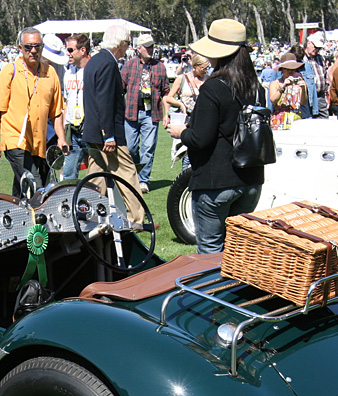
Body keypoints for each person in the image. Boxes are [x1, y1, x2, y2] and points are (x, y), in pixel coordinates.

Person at [166, 18, 263, 254]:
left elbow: (201, 138)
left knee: (210, 254)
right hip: (250, 179)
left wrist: (181, 132)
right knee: (237, 253)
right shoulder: (255, 87)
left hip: (216, 181)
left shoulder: (214, 87)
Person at [0, 27, 65, 195]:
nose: (33, 51)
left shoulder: (50, 73)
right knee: (35, 185)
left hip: (39, 143)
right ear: (20, 48)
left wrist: (62, 139)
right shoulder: (10, 71)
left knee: (31, 186)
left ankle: (16, 216)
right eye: (28, 47)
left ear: (42, 47)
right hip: (15, 139)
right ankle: (36, 220)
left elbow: (56, 112)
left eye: (37, 46)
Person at [81, 24, 145, 224]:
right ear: (119, 43)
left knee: (95, 179)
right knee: (128, 175)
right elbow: (105, 101)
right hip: (108, 134)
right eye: (127, 43)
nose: (127, 48)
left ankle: (88, 217)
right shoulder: (108, 64)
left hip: (92, 132)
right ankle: (138, 220)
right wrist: (109, 134)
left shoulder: (93, 62)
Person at [121, 34, 168, 193]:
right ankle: (132, 176)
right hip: (131, 113)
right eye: (146, 47)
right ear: (138, 49)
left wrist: (167, 114)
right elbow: (120, 89)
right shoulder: (129, 65)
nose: (150, 49)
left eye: (151, 46)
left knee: (148, 148)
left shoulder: (159, 67)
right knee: (131, 148)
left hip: (151, 114)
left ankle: (143, 181)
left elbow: (166, 92)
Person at [61, 33, 91, 181]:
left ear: (83, 50)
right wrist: (63, 130)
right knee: (68, 174)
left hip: (90, 130)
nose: (68, 53)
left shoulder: (94, 70)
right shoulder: (68, 73)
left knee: (95, 174)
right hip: (72, 130)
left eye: (71, 50)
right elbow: (66, 103)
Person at [268, 52, 305, 129]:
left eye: (292, 69)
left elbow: (303, 102)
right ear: (281, 69)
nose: (290, 71)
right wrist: (283, 87)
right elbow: (273, 100)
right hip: (279, 120)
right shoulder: (275, 83)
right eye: (286, 69)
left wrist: (304, 88)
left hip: (296, 120)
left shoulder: (300, 82)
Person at [302, 34, 329, 118]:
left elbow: (325, 77)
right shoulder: (301, 58)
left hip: (320, 96)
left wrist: (327, 95)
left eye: (319, 48)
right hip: (307, 97)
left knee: (324, 119)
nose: (317, 50)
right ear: (308, 43)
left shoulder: (320, 58)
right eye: (315, 47)